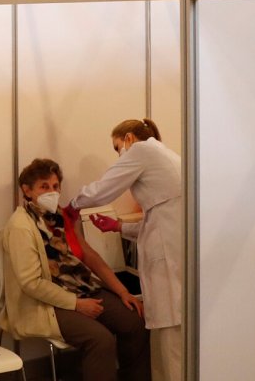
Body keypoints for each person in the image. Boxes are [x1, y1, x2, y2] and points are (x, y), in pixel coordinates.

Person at [0, 158, 150, 381]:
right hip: (47, 303)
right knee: (100, 340)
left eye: (55, 186)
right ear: (27, 190)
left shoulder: (60, 216)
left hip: (82, 288)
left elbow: (89, 256)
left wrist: (122, 292)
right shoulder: (20, 226)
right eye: (44, 186)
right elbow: (32, 283)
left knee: (135, 322)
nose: (52, 192)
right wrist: (77, 304)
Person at [65, 119, 182, 381]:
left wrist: (73, 205)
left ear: (128, 138)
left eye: (117, 147)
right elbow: (157, 222)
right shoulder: (164, 155)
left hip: (170, 263)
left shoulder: (141, 150)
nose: (119, 154)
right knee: (168, 342)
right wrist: (117, 226)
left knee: (171, 345)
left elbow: (104, 189)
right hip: (173, 252)